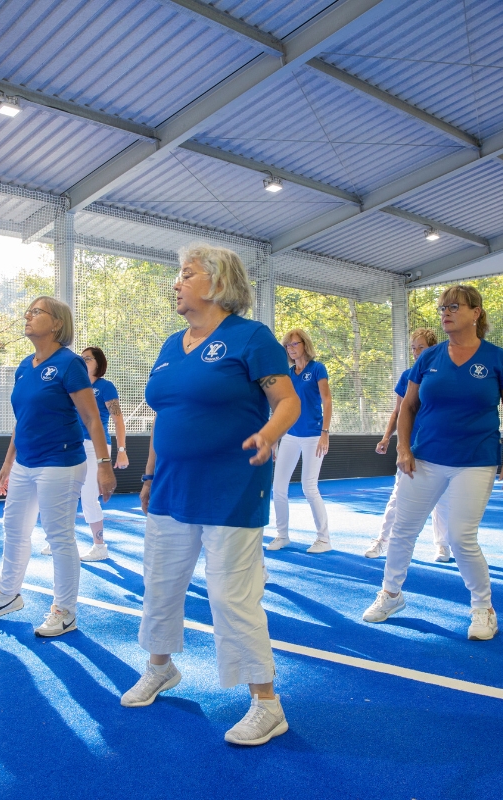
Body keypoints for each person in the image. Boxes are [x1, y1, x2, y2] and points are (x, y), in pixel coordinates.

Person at [120, 243, 300, 747]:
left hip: (232, 486)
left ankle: (267, 704)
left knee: (230, 595)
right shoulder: (169, 346)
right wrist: (149, 477)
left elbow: (287, 400)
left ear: (218, 283)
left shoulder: (251, 337)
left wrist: (269, 434)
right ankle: (160, 667)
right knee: (160, 583)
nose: (176, 283)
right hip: (171, 486)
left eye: (187, 274)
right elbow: (165, 419)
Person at [362, 286, 503, 641]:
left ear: (475, 313)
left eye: (453, 307)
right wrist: (404, 449)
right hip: (425, 458)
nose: (445, 313)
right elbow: (408, 407)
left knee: (460, 537)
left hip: (475, 460)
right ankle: (391, 594)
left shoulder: (497, 358)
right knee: (403, 530)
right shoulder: (429, 358)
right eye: (442, 308)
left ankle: (483, 609)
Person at [0, 296, 117, 636]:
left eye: (37, 312)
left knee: (59, 537)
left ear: (57, 324)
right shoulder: (25, 366)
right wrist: (8, 462)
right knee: (14, 529)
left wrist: (104, 464)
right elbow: (22, 420)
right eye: (28, 311)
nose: (28, 315)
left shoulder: (69, 363)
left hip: (60, 462)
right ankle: (8, 595)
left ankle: (65, 611)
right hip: (25, 463)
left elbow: (92, 419)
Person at [364, 328, 451, 562]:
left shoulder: (445, 374)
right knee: (397, 497)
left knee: (441, 500)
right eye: (413, 348)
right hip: (411, 448)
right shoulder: (407, 376)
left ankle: (443, 545)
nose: (416, 352)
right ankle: (382, 541)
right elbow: (399, 411)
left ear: (432, 348)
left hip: (439, 447)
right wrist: (387, 437)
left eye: (420, 347)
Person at [41, 346, 130, 561]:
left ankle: (100, 547)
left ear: (99, 364)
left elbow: (118, 419)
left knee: (89, 496)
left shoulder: (105, 387)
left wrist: (121, 450)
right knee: (65, 492)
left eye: (88, 358)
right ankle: (60, 540)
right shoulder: (74, 386)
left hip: (95, 446)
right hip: (72, 444)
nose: (83, 361)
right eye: (81, 358)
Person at [266, 328, 332, 553]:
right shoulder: (287, 374)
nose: (291, 349)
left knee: (309, 487)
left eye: (295, 344)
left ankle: (324, 539)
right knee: (278, 487)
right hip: (290, 436)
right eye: (288, 345)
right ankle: (282, 535)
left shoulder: (317, 369)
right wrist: (275, 437)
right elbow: (280, 406)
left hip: (314, 436)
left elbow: (327, 400)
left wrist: (325, 432)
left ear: (305, 345)